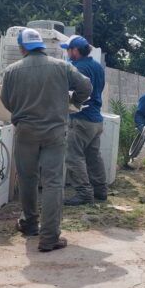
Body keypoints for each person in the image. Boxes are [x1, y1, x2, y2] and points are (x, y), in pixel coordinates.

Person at [1, 28, 92, 252]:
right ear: (41, 44)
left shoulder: (12, 71)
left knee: (27, 179)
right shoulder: (61, 66)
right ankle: (49, 237)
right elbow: (86, 86)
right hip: (54, 131)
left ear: (22, 48)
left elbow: (6, 100)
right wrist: (75, 102)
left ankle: (30, 224)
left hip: (25, 131)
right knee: (52, 183)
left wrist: (20, 111)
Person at [61, 35, 107, 206]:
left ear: (75, 50)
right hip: (96, 119)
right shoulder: (97, 66)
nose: (67, 52)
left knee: (73, 156)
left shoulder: (75, 67)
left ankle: (84, 194)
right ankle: (100, 190)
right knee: (93, 156)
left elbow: (68, 91)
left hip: (81, 119)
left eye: (68, 49)